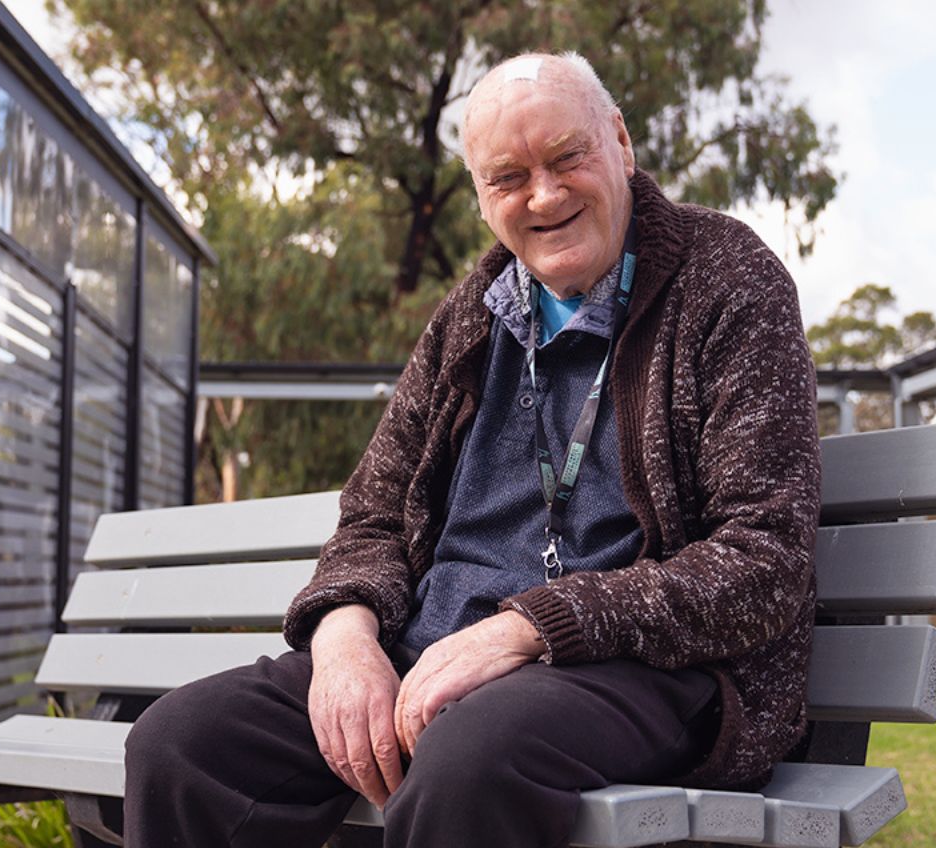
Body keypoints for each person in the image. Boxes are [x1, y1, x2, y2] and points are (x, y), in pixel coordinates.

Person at [124, 51, 822, 848]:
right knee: (181, 745)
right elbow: (372, 515)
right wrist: (347, 640)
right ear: (481, 199)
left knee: (467, 758)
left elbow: (765, 557)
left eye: (569, 158)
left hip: (641, 666)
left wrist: (529, 628)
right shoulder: (471, 313)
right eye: (510, 176)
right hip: (429, 658)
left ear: (621, 144)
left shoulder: (728, 279)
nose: (546, 195)